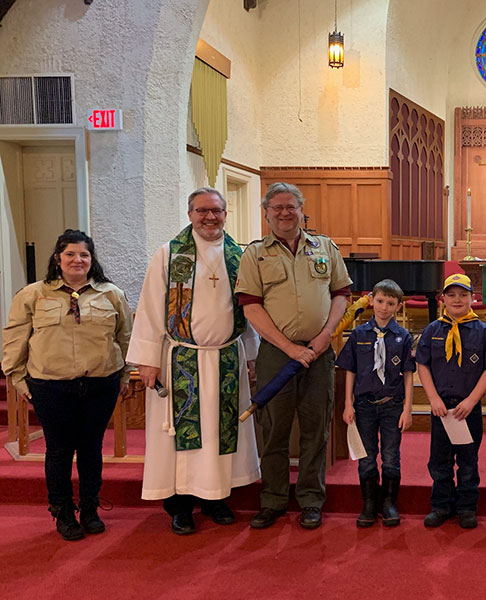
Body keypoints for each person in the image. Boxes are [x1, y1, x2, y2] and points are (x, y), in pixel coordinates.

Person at [127, 187, 260, 535]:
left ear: (225, 214)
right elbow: (150, 308)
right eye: (202, 211)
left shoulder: (239, 255)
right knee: (181, 438)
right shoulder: (169, 254)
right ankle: (180, 507)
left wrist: (251, 354)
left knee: (219, 435)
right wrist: (148, 360)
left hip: (227, 357)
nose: (210, 217)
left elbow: (248, 310)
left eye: (216, 211)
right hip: (181, 359)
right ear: (190, 215)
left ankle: (216, 500)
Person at [2, 230, 132, 541]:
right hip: (51, 387)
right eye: (70, 254)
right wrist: (18, 379)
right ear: (58, 259)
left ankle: (89, 508)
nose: (77, 260)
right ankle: (62, 511)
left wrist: (126, 375)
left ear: (92, 259)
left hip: (100, 383)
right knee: (59, 451)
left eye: (84, 255)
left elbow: (126, 337)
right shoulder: (32, 295)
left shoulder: (111, 294)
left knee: (91, 449)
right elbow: (14, 339)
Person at [236, 182, 351, 530]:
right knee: (274, 429)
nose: (285, 213)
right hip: (277, 354)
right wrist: (289, 349)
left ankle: (311, 500)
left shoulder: (325, 247)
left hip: (319, 353)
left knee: (316, 429)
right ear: (266, 213)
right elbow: (250, 306)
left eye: (291, 207)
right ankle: (272, 499)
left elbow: (341, 294)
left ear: (302, 210)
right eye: (277, 208)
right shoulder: (255, 254)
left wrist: (325, 335)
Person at [416, 273, 486, 529]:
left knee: (468, 461)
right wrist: (433, 398)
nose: (457, 299)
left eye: (463, 294)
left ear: (473, 298)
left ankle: (466, 506)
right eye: (451, 294)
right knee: (439, 461)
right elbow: (422, 364)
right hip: (441, 408)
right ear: (442, 298)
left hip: (467, 408)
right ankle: (441, 505)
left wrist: (472, 400)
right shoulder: (433, 330)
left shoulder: (483, 332)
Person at [337, 279, 415, 528]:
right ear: (371, 300)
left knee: (391, 455)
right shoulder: (359, 334)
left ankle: (389, 502)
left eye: (390, 303)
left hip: (392, 404)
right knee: (367, 456)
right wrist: (348, 403)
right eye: (380, 301)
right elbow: (350, 370)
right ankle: (369, 503)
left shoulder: (403, 336)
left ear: (398, 306)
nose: (384, 307)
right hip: (364, 405)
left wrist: (408, 409)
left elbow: (408, 374)